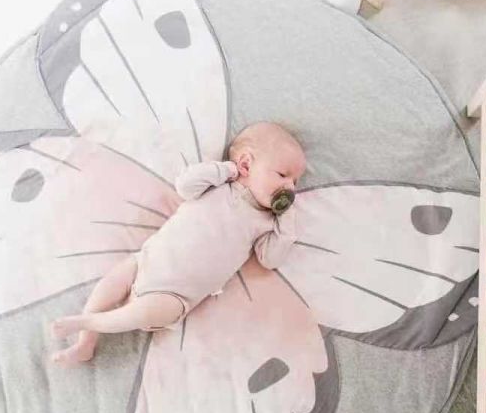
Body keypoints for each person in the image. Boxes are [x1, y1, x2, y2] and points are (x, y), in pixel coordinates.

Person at [49, 121, 306, 366]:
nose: (290, 188)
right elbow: (185, 186)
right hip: (147, 260)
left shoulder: (265, 222)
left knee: (140, 312)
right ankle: (85, 343)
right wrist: (224, 170)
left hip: (175, 296)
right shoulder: (218, 185)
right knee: (112, 282)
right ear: (246, 164)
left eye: (294, 182)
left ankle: (86, 322)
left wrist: (286, 224)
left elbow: (270, 259)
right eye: (283, 175)